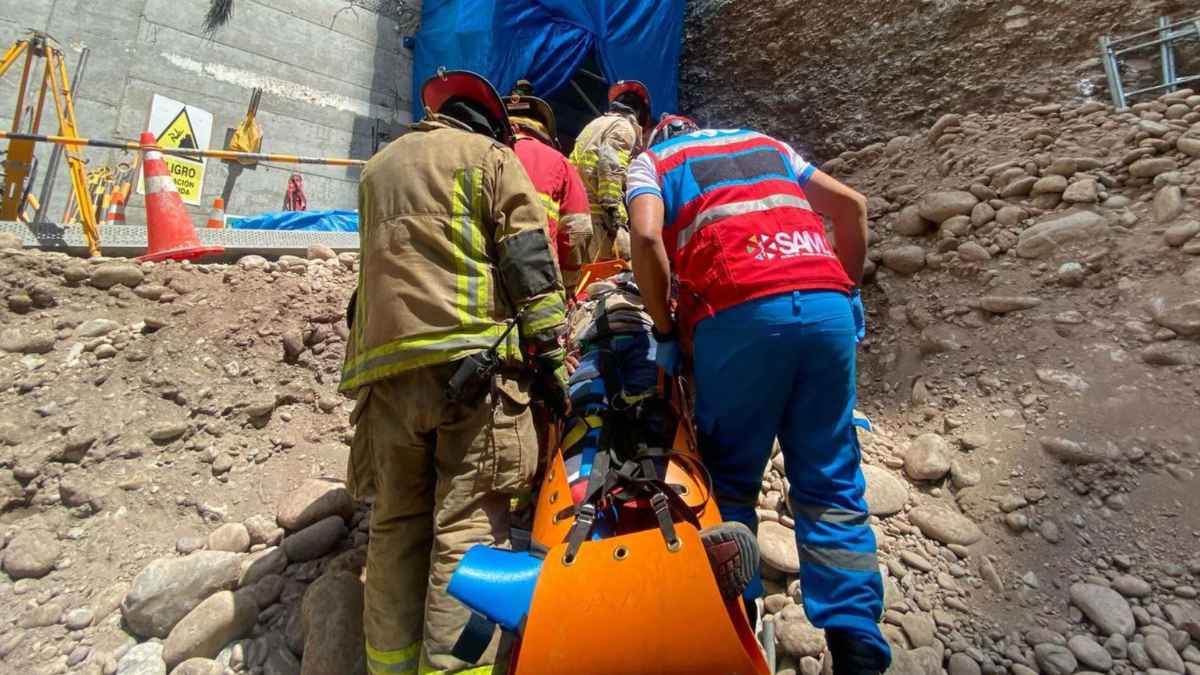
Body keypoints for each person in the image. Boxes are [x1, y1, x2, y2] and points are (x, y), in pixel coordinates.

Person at [626, 116, 890, 674]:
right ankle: (859, 647)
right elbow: (852, 209)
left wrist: (666, 330)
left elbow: (647, 237)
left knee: (730, 482)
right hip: (827, 310)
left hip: (738, 315)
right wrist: (851, 291)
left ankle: (734, 627)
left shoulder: (653, 163)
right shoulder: (767, 144)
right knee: (831, 478)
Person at [340, 70, 570, 675]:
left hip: (383, 378)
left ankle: (387, 665)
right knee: (465, 526)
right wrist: (549, 364)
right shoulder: (491, 158)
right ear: (492, 123)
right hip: (473, 376)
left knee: (394, 524)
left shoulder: (377, 168)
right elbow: (529, 266)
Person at [505, 83, 594, 288]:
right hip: (538, 285)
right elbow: (578, 231)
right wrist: (568, 284)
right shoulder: (559, 162)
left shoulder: (479, 158)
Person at [569, 80, 651, 264]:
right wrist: (615, 214)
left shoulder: (594, 125)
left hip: (579, 215)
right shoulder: (623, 127)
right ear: (640, 113)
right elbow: (610, 166)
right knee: (615, 274)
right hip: (599, 221)